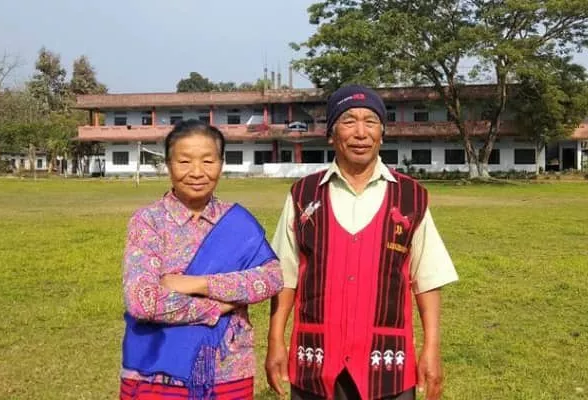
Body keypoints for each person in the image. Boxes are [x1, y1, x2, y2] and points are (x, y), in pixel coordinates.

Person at [265, 85, 458, 400]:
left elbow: (427, 279)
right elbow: (285, 276)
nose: (360, 133)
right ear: (331, 133)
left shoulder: (411, 197)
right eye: (348, 121)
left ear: (382, 133)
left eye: (370, 122)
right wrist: (275, 340)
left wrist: (432, 349)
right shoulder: (303, 195)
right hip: (315, 360)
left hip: (387, 363)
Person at [120, 120, 283, 400]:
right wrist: (217, 308)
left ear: (221, 164)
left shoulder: (237, 222)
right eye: (184, 162)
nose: (197, 172)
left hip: (228, 368)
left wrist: (198, 284)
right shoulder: (148, 222)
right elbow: (142, 301)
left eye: (208, 161)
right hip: (155, 372)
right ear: (168, 165)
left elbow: (271, 278)